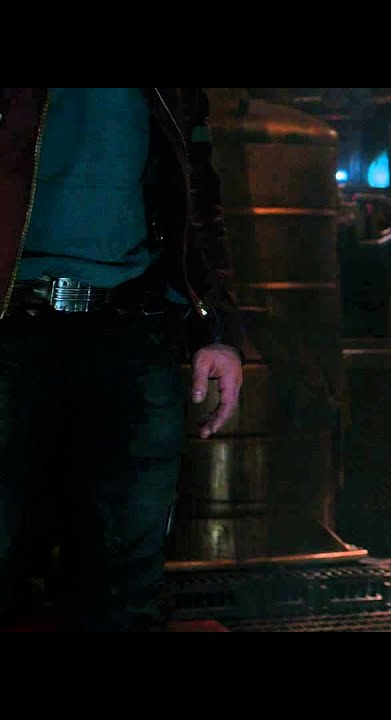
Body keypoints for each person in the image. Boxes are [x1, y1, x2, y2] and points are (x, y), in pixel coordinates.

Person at [0, 88, 245, 631]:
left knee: (125, 588)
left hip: (132, 335)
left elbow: (196, 194)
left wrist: (216, 330)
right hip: (11, 329)